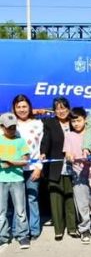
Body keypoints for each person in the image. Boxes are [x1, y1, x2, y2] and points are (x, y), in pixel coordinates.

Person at [40, 97, 78, 240]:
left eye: (63, 108)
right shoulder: (49, 123)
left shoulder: (74, 121)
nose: (61, 111)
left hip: (72, 166)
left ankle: (72, 228)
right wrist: (43, 152)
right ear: (54, 111)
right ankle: (59, 229)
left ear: (68, 108)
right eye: (57, 109)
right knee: (55, 198)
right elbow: (46, 140)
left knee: (70, 197)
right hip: (55, 166)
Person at [12, 94, 43, 240]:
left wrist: (38, 167)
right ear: (14, 109)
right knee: (18, 201)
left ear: (30, 107)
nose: (22, 109)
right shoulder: (10, 124)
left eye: (24, 106)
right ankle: (19, 230)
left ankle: (34, 230)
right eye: (18, 107)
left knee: (32, 199)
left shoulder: (38, 124)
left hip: (33, 168)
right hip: (14, 169)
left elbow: (42, 148)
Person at [0, 113, 30, 249]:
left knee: (20, 210)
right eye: (9, 127)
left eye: (13, 127)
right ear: (2, 127)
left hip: (17, 179)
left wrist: (11, 163)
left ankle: (23, 235)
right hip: (1, 180)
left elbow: (25, 160)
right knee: (1, 211)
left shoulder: (20, 141)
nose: (12, 130)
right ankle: (3, 237)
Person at [63, 107, 91, 244]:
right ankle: (84, 229)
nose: (76, 124)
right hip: (78, 174)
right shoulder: (69, 135)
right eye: (73, 121)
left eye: (79, 120)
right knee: (82, 203)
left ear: (85, 120)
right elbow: (67, 153)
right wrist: (69, 156)